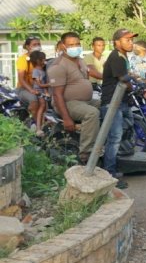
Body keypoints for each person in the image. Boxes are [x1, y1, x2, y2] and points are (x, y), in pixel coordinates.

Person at [48, 32, 101, 164]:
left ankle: (102, 141)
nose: (75, 47)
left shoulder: (80, 60)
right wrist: (66, 119)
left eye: (77, 44)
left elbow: (89, 75)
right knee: (92, 113)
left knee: (108, 105)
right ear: (63, 46)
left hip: (85, 101)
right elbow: (57, 94)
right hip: (68, 103)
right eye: (71, 45)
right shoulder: (58, 65)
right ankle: (86, 154)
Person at [100, 29, 137, 189]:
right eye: (127, 40)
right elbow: (122, 79)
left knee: (126, 131)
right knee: (114, 138)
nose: (131, 42)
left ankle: (123, 165)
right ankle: (110, 174)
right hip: (112, 102)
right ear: (117, 42)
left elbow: (127, 76)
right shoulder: (116, 57)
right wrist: (134, 86)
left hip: (122, 101)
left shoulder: (123, 56)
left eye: (131, 40)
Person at [15, 37, 43, 125]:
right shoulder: (23, 59)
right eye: (34, 45)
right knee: (34, 99)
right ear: (27, 47)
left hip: (39, 87)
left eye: (39, 44)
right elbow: (21, 79)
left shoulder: (41, 58)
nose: (37, 46)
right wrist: (32, 90)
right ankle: (39, 125)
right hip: (24, 89)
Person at [29, 51, 49, 137]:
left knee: (46, 108)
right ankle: (38, 128)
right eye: (43, 59)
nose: (45, 60)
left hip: (43, 91)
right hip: (39, 91)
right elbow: (39, 84)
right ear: (38, 60)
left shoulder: (42, 70)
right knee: (42, 107)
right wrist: (50, 84)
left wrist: (46, 91)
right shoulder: (36, 71)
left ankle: (43, 125)